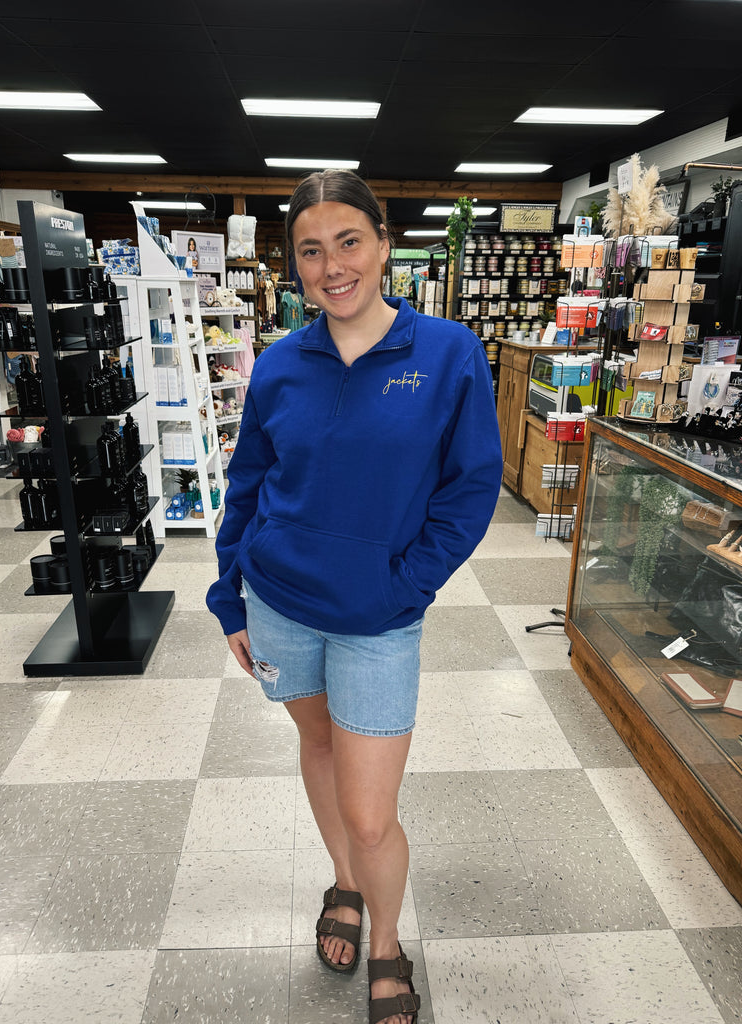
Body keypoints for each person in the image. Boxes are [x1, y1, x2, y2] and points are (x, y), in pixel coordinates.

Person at [207, 169, 502, 1024]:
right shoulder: (278, 364)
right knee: (321, 748)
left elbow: (470, 489)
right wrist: (231, 597)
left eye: (348, 242)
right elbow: (248, 485)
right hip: (280, 606)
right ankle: (343, 886)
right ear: (293, 264)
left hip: (379, 621)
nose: (332, 266)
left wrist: (404, 586)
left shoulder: (447, 353)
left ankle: (385, 941)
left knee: (373, 815)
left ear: (382, 244)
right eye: (310, 250)